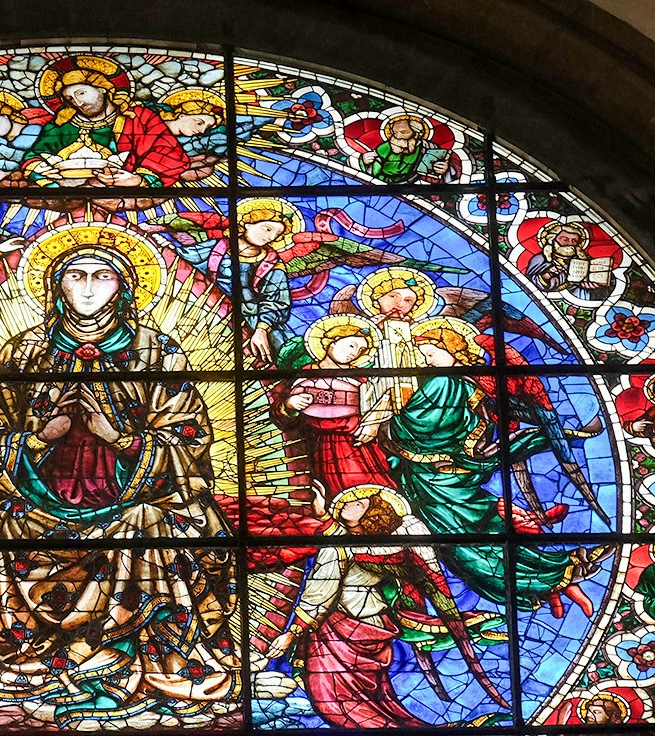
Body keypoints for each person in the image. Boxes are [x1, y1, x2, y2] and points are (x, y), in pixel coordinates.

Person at [0, 225, 237, 728]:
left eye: (103, 277)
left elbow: (190, 438)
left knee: (151, 525)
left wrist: (120, 439)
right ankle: (8, 654)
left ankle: (157, 658)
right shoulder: (22, 352)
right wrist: (34, 440)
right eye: (76, 276)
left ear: (124, 288)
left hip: (134, 499)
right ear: (57, 286)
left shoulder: (157, 351)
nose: (90, 288)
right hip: (28, 499)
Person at [265, 485, 504, 736]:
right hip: (356, 625)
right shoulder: (374, 543)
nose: (345, 505)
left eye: (357, 503)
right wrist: (323, 514)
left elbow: (320, 591)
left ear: (376, 510)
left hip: (347, 628)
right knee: (375, 701)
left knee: (333, 703)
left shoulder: (350, 545)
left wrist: (293, 632)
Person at [377, 316, 609, 613]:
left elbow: (417, 426)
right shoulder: (465, 387)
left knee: (466, 549)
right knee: (481, 537)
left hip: (441, 482)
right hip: (443, 483)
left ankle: (554, 575)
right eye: (423, 354)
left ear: (453, 350)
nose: (426, 359)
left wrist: (386, 421)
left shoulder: (445, 384)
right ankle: (558, 572)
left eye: (431, 352)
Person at [271, 315, 398, 495]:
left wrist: (375, 420)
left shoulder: (361, 378)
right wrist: (289, 406)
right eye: (351, 345)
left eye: (361, 350)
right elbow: (282, 418)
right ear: (331, 342)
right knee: (336, 491)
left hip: (362, 442)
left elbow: (386, 401)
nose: (355, 353)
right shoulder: (305, 374)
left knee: (374, 486)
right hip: (323, 445)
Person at [22, 54, 191, 187]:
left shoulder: (139, 117)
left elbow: (168, 152)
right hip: (67, 188)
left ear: (103, 88)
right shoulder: (61, 124)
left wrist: (139, 180)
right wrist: (36, 166)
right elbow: (35, 154)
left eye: (81, 93)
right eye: (71, 99)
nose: (78, 103)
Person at [161, 198, 297, 360]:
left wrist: (261, 330)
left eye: (277, 234)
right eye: (267, 229)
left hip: (254, 325)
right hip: (207, 314)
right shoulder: (218, 247)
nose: (272, 237)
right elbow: (184, 258)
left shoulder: (272, 265)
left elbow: (277, 303)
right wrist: (162, 244)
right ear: (248, 222)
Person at [525, 220, 612, 296]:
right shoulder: (540, 259)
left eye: (574, 241)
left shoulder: (586, 261)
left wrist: (596, 287)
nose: (570, 243)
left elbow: (605, 290)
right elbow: (527, 285)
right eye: (565, 239)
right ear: (552, 240)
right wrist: (547, 275)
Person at [360, 113, 452, 183]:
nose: (398, 136)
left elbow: (439, 175)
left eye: (404, 132)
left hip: (412, 188)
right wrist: (365, 162)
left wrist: (444, 169)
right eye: (395, 132)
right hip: (379, 185)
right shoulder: (385, 147)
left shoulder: (428, 148)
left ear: (416, 134)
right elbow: (372, 171)